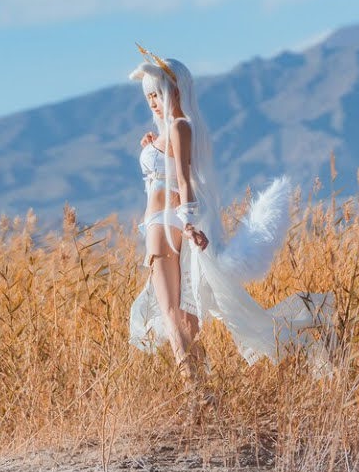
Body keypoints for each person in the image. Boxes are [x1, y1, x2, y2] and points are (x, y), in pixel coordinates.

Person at [126, 48, 336, 373]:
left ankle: (194, 390)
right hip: (171, 222)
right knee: (184, 314)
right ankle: (199, 385)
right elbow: (172, 172)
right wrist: (152, 146)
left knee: (169, 310)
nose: (153, 102)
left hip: (164, 225)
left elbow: (184, 179)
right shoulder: (175, 129)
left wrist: (189, 222)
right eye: (149, 96)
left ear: (176, 91)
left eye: (157, 94)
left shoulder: (180, 127)